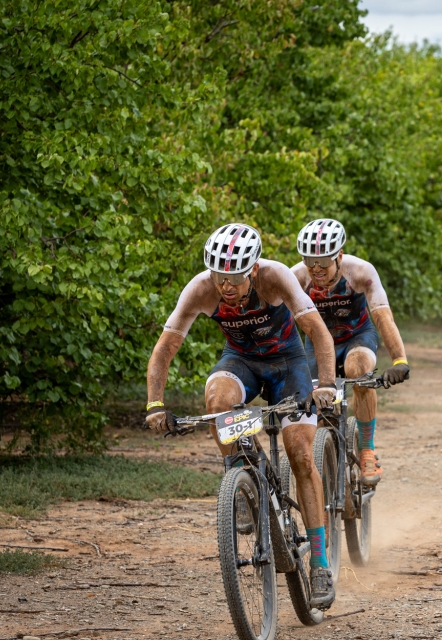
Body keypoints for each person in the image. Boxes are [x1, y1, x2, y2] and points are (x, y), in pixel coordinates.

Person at [145, 223, 339, 609]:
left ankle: (319, 562)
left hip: (288, 365)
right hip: (241, 362)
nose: (226, 286)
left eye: (234, 278)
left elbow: (318, 332)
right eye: (219, 277)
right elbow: (165, 347)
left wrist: (327, 385)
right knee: (217, 400)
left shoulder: (276, 277)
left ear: (253, 270)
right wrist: (155, 404)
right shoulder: (201, 289)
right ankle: (241, 474)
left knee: (300, 454)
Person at [291, 219, 410, 486]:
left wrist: (399, 360)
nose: (316, 268)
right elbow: (281, 326)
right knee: (316, 398)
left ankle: (366, 449)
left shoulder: (360, 272)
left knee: (358, 370)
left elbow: (382, 315)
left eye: (323, 261)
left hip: (357, 336)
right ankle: (325, 458)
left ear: (339, 256)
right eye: (309, 261)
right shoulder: (296, 278)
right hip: (317, 344)